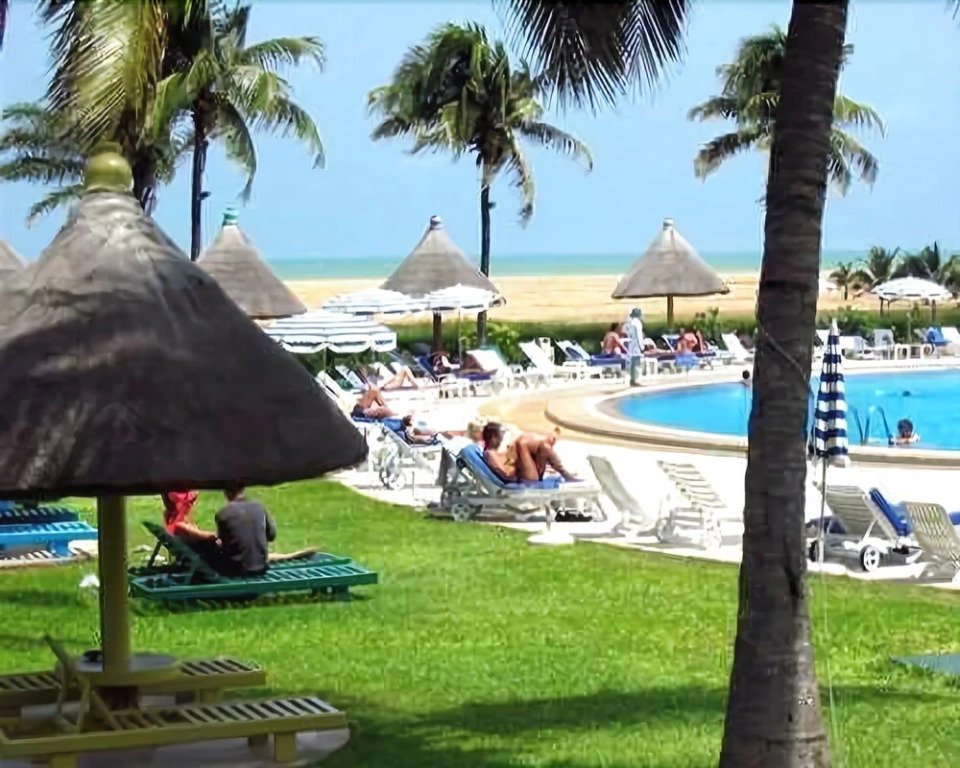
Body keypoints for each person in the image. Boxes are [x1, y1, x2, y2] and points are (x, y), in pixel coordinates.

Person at [481, 422, 577, 483]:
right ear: (494, 436)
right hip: (524, 478)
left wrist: (512, 453)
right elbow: (506, 472)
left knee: (540, 446)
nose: (503, 436)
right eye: (502, 433)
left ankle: (565, 472)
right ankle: (565, 473)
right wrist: (514, 458)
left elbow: (506, 461)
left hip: (526, 473)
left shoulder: (494, 452)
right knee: (521, 443)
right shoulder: (490, 453)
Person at [625, 307, 645, 386]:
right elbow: (639, 336)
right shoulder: (638, 323)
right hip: (636, 345)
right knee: (637, 362)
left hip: (631, 344)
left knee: (632, 363)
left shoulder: (630, 322)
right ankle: (636, 380)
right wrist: (642, 346)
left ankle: (632, 379)